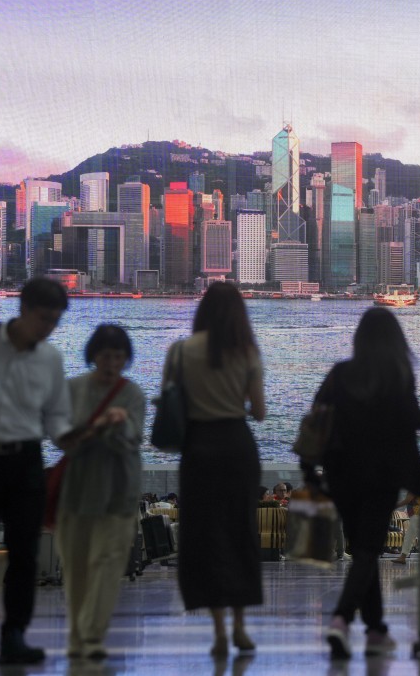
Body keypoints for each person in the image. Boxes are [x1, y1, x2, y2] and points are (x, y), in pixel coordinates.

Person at [308, 307, 420, 660]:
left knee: (363, 549)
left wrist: (310, 472)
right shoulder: (397, 376)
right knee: (368, 550)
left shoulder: (340, 375)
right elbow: (407, 426)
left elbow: (316, 421)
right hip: (381, 477)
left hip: (341, 475)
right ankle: (340, 619)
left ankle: (375, 629)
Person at [0, 278, 74, 666]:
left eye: (56, 321)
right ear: (24, 309)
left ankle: (14, 633)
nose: (49, 328)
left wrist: (77, 443)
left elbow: (57, 418)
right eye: (45, 318)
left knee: (25, 553)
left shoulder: (50, 359)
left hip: (26, 462)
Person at [163, 282, 266, 658]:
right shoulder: (247, 353)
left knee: (204, 535)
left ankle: (219, 629)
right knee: (239, 530)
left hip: (198, 448)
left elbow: (170, 401)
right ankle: (241, 626)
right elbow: (259, 411)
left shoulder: (180, 352)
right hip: (237, 446)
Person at [57, 324, 145, 660]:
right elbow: (61, 436)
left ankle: (92, 634)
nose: (112, 364)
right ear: (94, 355)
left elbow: (134, 438)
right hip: (78, 488)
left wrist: (119, 424)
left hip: (119, 491)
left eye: (119, 357)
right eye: (106, 356)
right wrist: (94, 429)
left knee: (107, 563)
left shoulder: (132, 394)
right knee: (76, 565)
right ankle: (78, 635)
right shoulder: (73, 388)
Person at [392, 492, 420, 564]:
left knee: (409, 536)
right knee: (413, 535)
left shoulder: (414, 486)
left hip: (416, 512)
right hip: (419, 512)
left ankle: (402, 557)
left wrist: (395, 505)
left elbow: (407, 500)